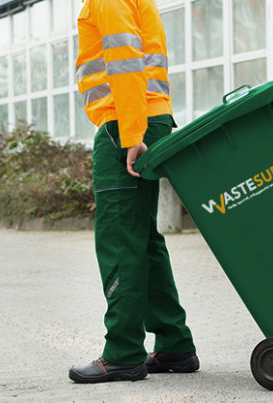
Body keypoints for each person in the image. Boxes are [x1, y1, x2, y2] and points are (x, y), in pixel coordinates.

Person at [69, 0, 198, 383]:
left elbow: (124, 59)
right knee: (143, 237)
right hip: (149, 117)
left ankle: (123, 352)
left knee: (120, 237)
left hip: (124, 125)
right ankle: (174, 344)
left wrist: (130, 135)